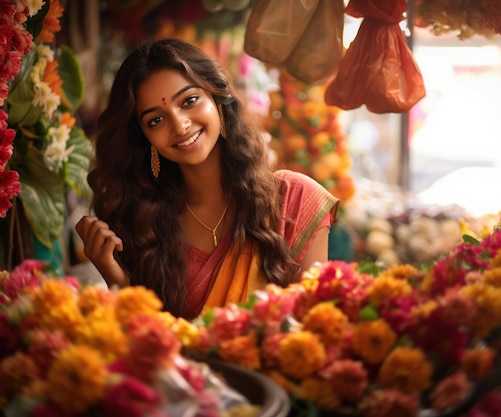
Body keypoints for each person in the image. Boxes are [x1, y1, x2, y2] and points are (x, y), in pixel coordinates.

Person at [75, 37, 339, 320]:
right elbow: (149, 342)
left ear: (217, 98)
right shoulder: (144, 227)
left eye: (189, 101)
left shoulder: (294, 201)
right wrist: (116, 279)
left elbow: (313, 329)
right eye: (156, 120)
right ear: (144, 137)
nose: (180, 125)